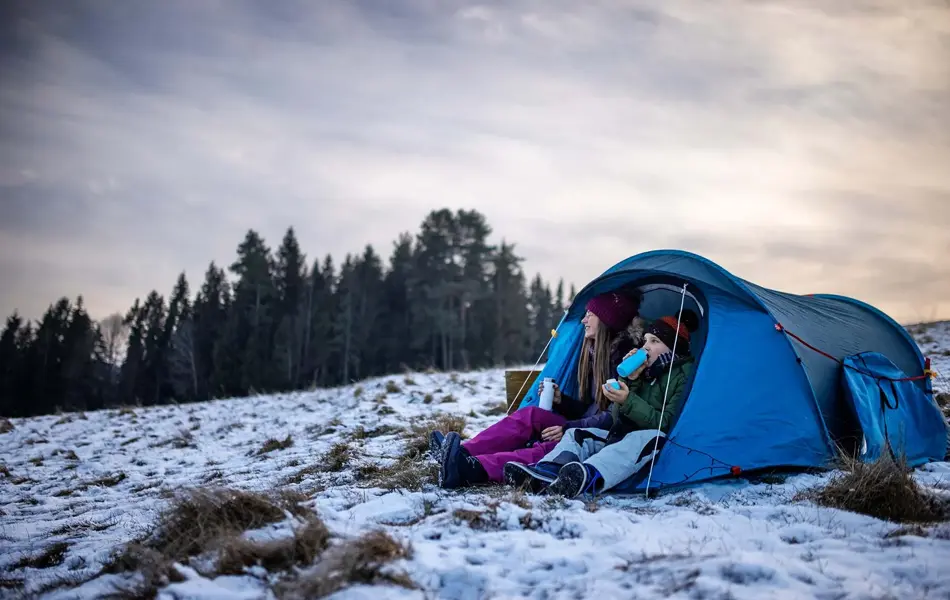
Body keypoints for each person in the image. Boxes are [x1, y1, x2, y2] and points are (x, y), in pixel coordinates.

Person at [432, 290, 646, 489]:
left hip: (604, 436)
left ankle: (471, 468)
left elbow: (613, 416)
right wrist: (562, 401)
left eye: (590, 315)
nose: (583, 320)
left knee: (551, 448)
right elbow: (593, 408)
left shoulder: (625, 361)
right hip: (583, 425)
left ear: (606, 319)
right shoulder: (594, 353)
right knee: (531, 415)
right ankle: (462, 452)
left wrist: (569, 427)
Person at [504, 308, 698, 497]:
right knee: (576, 434)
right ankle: (545, 472)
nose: (645, 346)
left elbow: (667, 424)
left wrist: (628, 400)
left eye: (654, 341)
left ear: (673, 349)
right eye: (645, 340)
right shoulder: (645, 372)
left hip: (651, 445)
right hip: (621, 436)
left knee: (648, 437)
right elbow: (616, 418)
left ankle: (587, 476)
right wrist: (631, 381)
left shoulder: (683, 376)